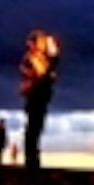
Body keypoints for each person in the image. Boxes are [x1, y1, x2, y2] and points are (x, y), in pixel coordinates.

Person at [19, 30, 59, 170]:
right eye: (40, 41)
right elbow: (42, 74)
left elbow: (49, 74)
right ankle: (31, 159)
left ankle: (32, 157)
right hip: (35, 95)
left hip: (40, 95)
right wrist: (53, 59)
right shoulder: (32, 58)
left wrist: (53, 60)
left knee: (36, 127)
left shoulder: (40, 58)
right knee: (33, 127)